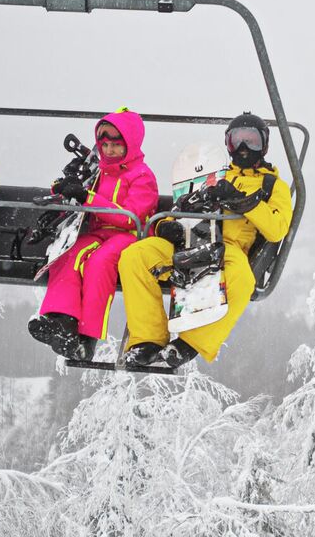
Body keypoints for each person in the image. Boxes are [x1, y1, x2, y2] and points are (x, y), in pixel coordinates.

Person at [118, 112, 292, 371]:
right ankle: (148, 341)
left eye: (251, 141)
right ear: (228, 144)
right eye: (237, 141)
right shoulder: (214, 171)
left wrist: (243, 201)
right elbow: (182, 203)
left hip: (227, 250)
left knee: (243, 280)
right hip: (189, 242)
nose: (244, 148)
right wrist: (168, 227)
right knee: (135, 256)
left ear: (264, 145)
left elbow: (276, 229)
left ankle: (189, 344)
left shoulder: (272, 185)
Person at [27, 110, 159, 360]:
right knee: (69, 255)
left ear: (130, 145)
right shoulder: (99, 172)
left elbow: (130, 216)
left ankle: (87, 338)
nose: (109, 151)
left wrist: (87, 197)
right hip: (99, 233)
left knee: (100, 263)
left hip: (131, 235)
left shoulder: (142, 176)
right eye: (105, 145)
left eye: (116, 146)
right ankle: (62, 322)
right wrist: (66, 187)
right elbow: (80, 190)